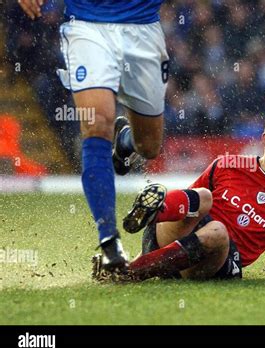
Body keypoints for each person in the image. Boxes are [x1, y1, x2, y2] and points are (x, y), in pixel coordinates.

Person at [18, 0, 170, 272]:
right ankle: (110, 242)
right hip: (87, 26)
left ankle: (124, 142)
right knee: (97, 122)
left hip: (143, 28)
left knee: (148, 146)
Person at [93, 112, 265, 281]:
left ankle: (127, 271)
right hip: (171, 240)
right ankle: (151, 213)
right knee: (202, 196)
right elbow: (186, 210)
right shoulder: (228, 165)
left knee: (217, 231)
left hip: (217, 263)